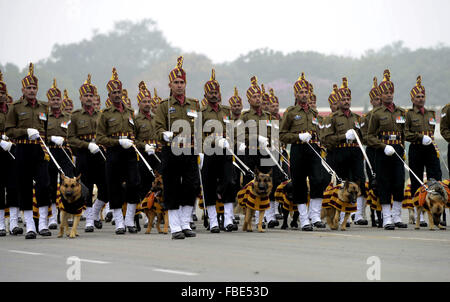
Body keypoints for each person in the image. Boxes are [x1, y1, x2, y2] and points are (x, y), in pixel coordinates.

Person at [154, 56, 200, 240]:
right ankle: (174, 226)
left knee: (191, 186)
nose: (179, 85)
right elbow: (157, 127)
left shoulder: (194, 104)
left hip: (189, 151)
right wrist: (163, 134)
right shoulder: (164, 106)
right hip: (171, 151)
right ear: (170, 85)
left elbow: (200, 127)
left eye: (182, 82)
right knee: (172, 187)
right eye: (176, 82)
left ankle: (185, 223)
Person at [5, 63, 51, 239]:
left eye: (34, 88)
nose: (32, 90)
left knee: (43, 185)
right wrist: (25, 132)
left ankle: (43, 224)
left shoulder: (43, 107)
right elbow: (9, 131)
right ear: (23, 90)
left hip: (39, 149)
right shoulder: (16, 107)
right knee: (24, 187)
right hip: (23, 149)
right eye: (28, 88)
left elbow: (46, 128)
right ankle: (30, 225)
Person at [279, 73, 328, 231]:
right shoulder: (291, 112)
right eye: (301, 92)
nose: (304, 95)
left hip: (313, 149)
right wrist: (298, 136)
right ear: (295, 94)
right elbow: (282, 135)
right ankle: (304, 218)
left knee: (318, 180)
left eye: (306, 92)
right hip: (298, 149)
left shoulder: (314, 114)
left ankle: (315, 216)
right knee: (299, 183)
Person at [96, 68, 140, 234]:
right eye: (113, 92)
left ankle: (129, 219)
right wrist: (118, 142)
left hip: (129, 153)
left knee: (134, 183)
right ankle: (119, 222)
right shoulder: (105, 114)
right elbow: (99, 138)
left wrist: (132, 140)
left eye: (119, 91)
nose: (116, 94)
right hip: (114, 152)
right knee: (113, 186)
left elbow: (135, 132)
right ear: (109, 96)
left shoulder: (129, 112)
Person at [323, 77, 366, 225]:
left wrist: (358, 136)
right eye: (343, 99)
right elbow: (326, 139)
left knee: (359, 181)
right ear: (338, 101)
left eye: (348, 98)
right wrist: (343, 137)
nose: (346, 101)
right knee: (341, 184)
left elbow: (364, 137)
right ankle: (339, 215)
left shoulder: (357, 118)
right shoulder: (332, 118)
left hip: (355, 153)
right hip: (338, 154)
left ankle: (358, 214)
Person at [367, 69, 407, 230]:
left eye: (391, 92)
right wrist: (383, 146)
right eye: (386, 93)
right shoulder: (376, 114)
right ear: (381, 96)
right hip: (382, 151)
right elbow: (370, 137)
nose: (389, 95)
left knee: (398, 182)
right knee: (384, 184)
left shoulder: (401, 112)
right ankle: (387, 218)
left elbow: (403, 133)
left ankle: (397, 216)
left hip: (397, 150)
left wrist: (401, 147)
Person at [68, 74, 107, 232]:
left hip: (100, 154)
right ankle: (90, 219)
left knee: (106, 187)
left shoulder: (102, 115)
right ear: (81, 98)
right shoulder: (75, 116)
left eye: (91, 95)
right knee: (87, 187)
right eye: (86, 95)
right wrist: (86, 145)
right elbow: (71, 139)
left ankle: (96, 212)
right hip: (85, 155)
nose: (89, 98)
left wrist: (102, 144)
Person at [200, 69, 235, 233]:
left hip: (225, 152)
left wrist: (233, 142)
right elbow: (198, 134)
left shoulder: (226, 111)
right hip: (210, 152)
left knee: (229, 183)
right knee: (209, 185)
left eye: (216, 92)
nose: (214, 95)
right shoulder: (202, 113)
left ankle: (228, 219)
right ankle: (213, 220)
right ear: (206, 95)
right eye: (211, 93)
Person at [405, 76, 442, 221]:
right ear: (413, 99)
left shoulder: (431, 113)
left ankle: (437, 211)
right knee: (417, 180)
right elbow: (405, 133)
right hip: (416, 148)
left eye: (422, 96)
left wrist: (429, 141)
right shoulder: (408, 114)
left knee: (435, 178)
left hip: (430, 148)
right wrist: (420, 138)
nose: (420, 99)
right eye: (417, 97)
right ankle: (419, 213)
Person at [46, 79, 74, 229]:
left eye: (58, 99)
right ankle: (52, 216)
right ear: (49, 101)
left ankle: (67, 212)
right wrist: (50, 138)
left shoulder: (68, 117)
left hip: (65, 152)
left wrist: (65, 139)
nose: (56, 102)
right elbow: (40, 134)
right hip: (50, 152)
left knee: (68, 183)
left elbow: (74, 134)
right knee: (50, 183)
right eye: (53, 99)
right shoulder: (45, 117)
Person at [360, 77, 382, 227]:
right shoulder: (366, 118)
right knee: (373, 183)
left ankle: (386, 214)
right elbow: (364, 137)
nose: (378, 102)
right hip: (372, 152)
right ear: (371, 101)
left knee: (384, 182)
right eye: (375, 99)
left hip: (385, 151)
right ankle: (372, 213)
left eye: (380, 98)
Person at [0, 71, 19, 236]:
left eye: (3, 93)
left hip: (12, 150)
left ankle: (13, 223)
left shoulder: (12, 110)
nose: (1, 96)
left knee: (13, 187)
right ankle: (0, 224)